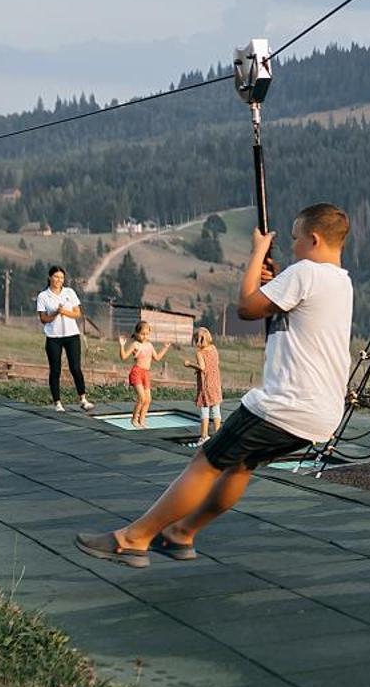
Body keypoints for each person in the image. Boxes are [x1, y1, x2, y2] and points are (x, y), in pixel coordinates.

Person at [76, 203, 353, 568]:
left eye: (296, 238)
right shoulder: (340, 282)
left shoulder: (305, 273)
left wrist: (256, 255)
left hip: (285, 405)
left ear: (313, 239)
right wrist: (272, 281)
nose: (293, 245)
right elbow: (286, 306)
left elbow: (247, 308)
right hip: (321, 416)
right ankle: (181, 533)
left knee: (205, 463)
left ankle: (134, 539)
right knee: (240, 466)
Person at [36, 265, 94, 412]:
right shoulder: (43, 296)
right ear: (50, 277)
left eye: (61, 278)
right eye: (56, 277)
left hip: (72, 335)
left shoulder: (69, 292)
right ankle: (57, 402)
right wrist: (56, 313)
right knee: (55, 370)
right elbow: (43, 319)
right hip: (54, 337)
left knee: (75, 368)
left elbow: (77, 313)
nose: (59, 280)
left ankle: (83, 399)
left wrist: (64, 311)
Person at [116, 321, 171, 428]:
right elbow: (123, 357)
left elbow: (157, 358)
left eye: (147, 334)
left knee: (148, 399)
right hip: (136, 372)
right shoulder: (135, 344)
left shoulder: (150, 345)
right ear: (136, 333)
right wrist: (122, 345)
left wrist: (165, 348)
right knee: (141, 398)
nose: (144, 336)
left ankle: (142, 420)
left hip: (146, 374)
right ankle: (134, 419)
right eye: (142, 334)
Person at [186, 326, 224, 444]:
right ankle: (218, 435)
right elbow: (214, 364)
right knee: (216, 409)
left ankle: (204, 436)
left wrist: (190, 364)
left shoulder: (200, 353)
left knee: (205, 410)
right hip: (216, 382)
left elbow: (202, 367)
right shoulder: (213, 348)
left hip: (206, 384)